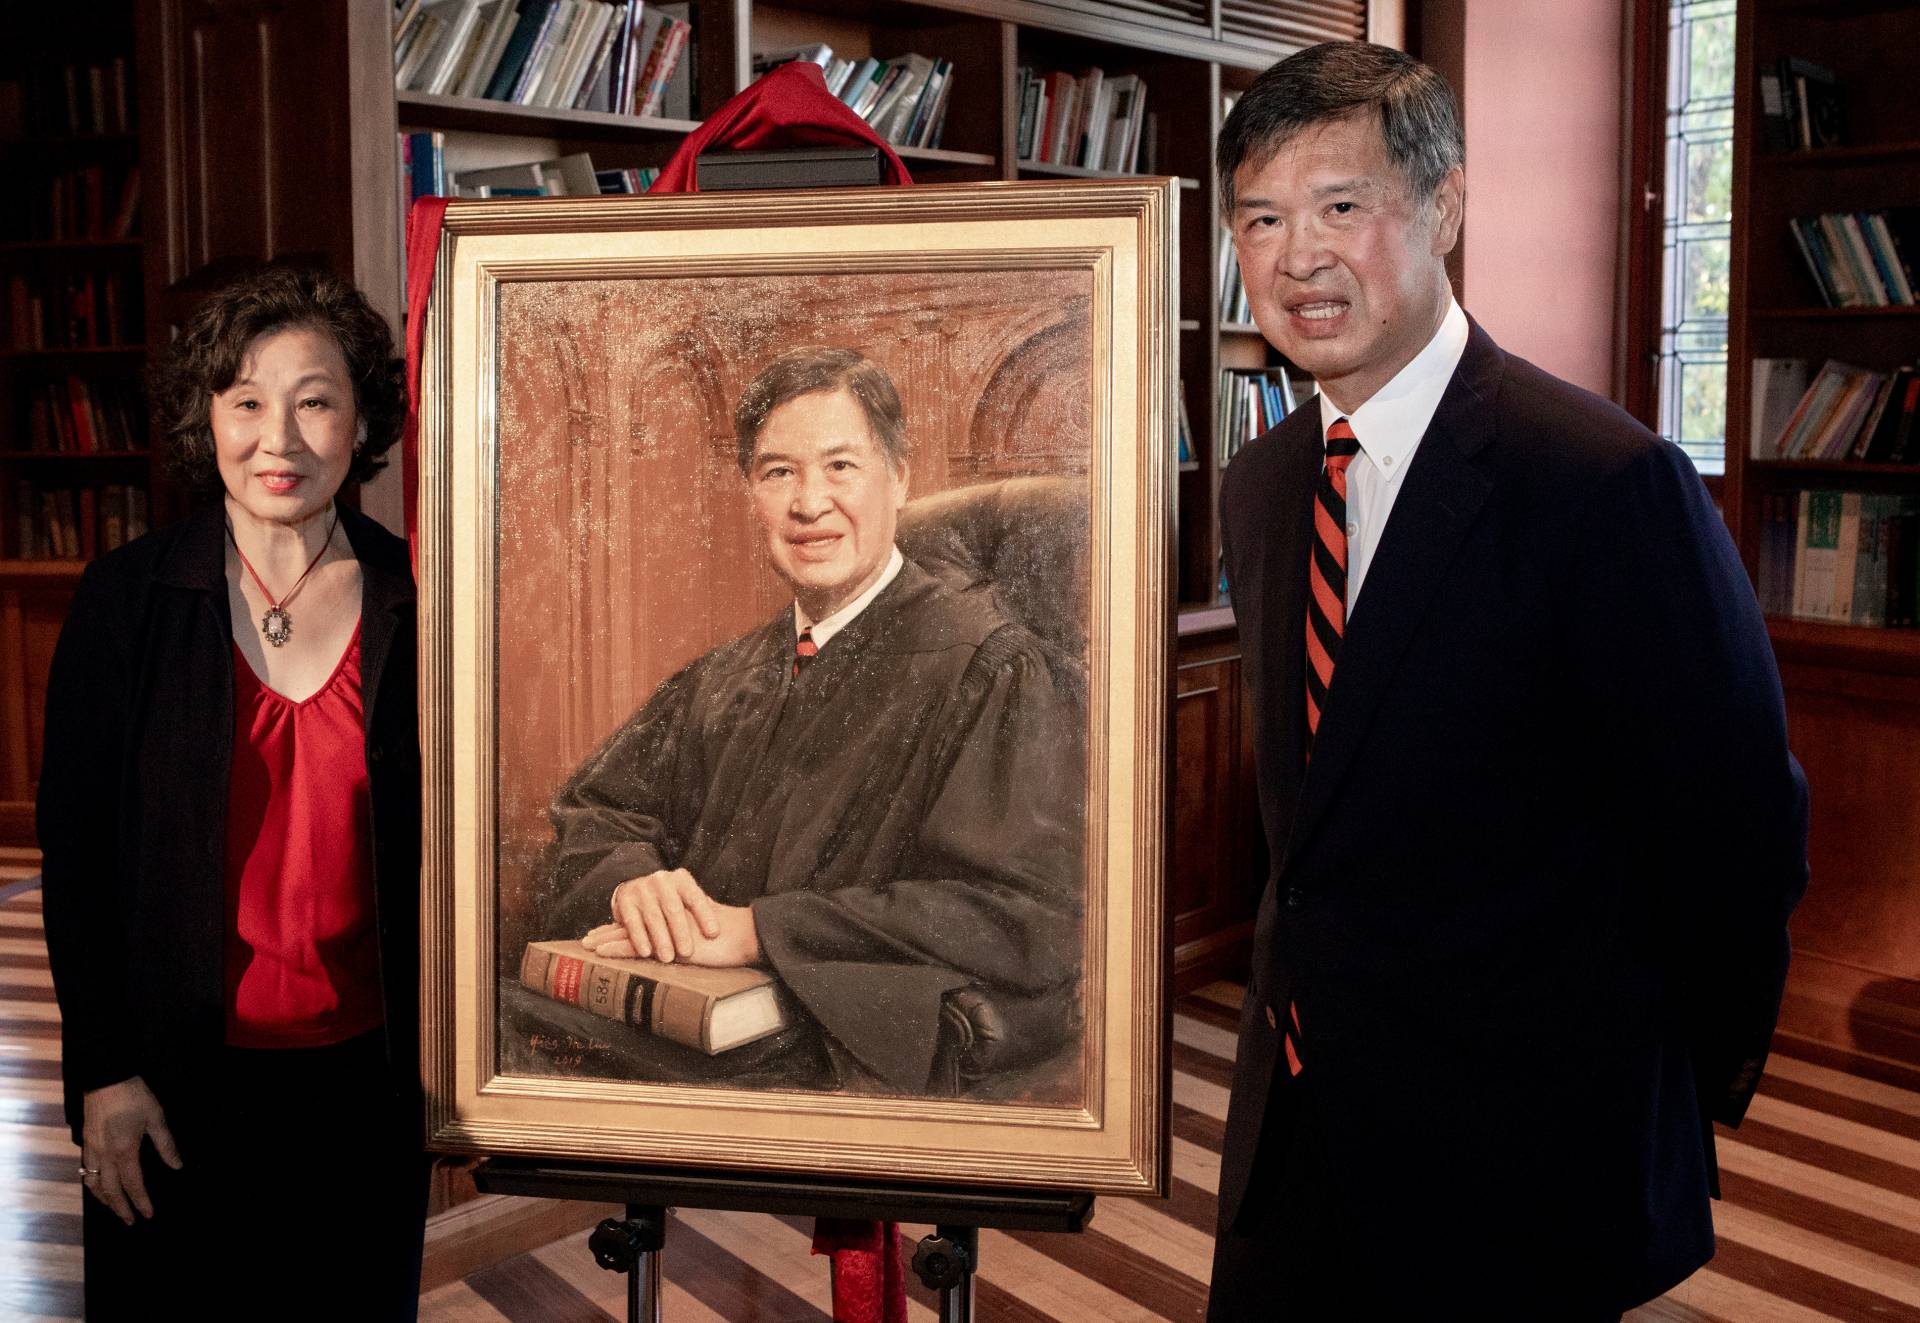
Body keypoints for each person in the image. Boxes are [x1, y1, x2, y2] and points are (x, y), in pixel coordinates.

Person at [1204, 42, 1809, 1321]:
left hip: (1516, 1157)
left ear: (1445, 208)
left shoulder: (1599, 481)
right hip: (1294, 1127)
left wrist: (1651, 1088)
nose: (1297, 257)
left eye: (1341, 207)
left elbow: (1737, 822)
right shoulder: (1261, 485)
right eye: (1260, 219)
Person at [537, 346, 1084, 1096]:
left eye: (840, 466)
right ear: (751, 493)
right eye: (778, 472)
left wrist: (760, 930)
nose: (808, 503)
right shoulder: (726, 673)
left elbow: (1024, 916)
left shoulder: (987, 666)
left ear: (899, 477)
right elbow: (596, 807)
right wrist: (636, 883)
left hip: (826, 1052)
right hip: (692, 1009)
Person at [37, 266, 427, 1319]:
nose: (278, 438)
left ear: (361, 421)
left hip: (365, 1090)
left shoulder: (422, 602)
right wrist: (102, 1073)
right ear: (206, 420)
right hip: (166, 1092)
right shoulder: (125, 601)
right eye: (247, 401)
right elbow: (76, 859)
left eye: (315, 401)